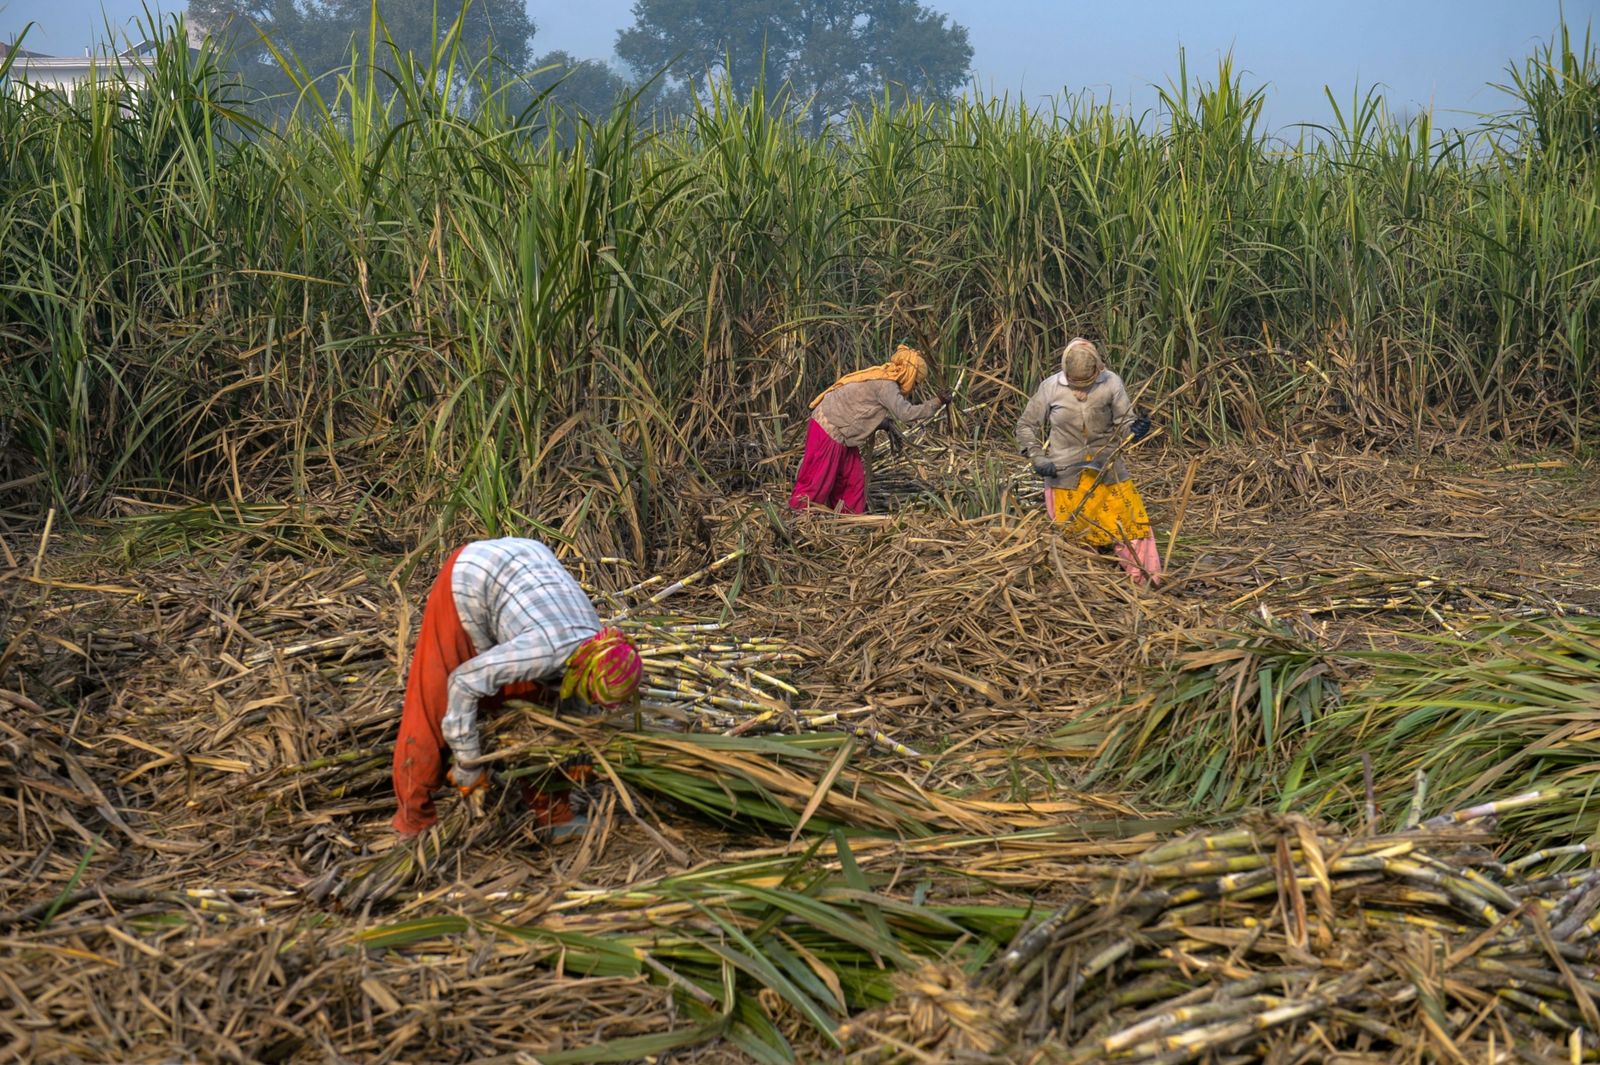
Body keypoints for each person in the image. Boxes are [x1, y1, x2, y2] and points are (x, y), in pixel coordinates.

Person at [391, 537, 643, 837]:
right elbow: (463, 682)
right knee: (433, 699)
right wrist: (469, 763)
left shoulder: (600, 648)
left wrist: (579, 754)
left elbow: (580, 701)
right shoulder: (545, 651)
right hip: (471, 576)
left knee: (541, 708)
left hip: (527, 570)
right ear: (583, 671)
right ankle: (413, 820)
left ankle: (552, 814)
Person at [1016, 338, 1161, 586]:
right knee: (1073, 535)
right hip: (1064, 473)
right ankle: (1083, 587)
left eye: (1087, 383)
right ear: (1065, 371)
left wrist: (1136, 430)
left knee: (1133, 524)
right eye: (1075, 385)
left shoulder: (1111, 383)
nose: (1080, 392)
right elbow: (1025, 425)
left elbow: (1124, 424)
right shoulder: (1050, 387)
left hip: (1107, 467)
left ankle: (1145, 581)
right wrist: (1038, 457)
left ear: (1098, 369)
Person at [789, 344, 950, 514]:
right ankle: (797, 516)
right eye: (916, 382)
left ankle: (848, 521)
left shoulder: (881, 375)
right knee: (816, 479)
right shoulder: (886, 385)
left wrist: (884, 424)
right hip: (828, 427)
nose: (915, 387)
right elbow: (906, 413)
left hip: (840, 431)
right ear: (910, 375)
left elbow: (860, 409)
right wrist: (937, 402)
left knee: (852, 480)